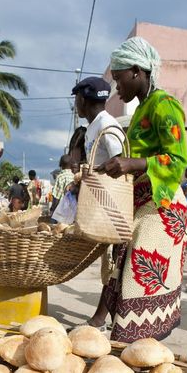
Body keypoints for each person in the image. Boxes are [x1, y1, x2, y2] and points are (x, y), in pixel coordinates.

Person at [89, 36, 187, 342]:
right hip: (140, 202)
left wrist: (132, 164)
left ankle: (132, 346)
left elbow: (177, 160)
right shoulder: (144, 108)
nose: (117, 88)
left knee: (138, 273)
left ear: (137, 71)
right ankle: (114, 334)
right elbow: (137, 154)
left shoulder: (165, 105)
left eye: (119, 80)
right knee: (120, 265)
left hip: (162, 206)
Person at [72, 77, 123, 328]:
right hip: (100, 201)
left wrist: (95, 173)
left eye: (76, 100)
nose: (76, 105)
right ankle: (107, 317)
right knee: (110, 262)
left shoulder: (106, 124)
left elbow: (120, 161)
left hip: (112, 203)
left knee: (113, 262)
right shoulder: (93, 126)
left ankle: (99, 319)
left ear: (83, 99)